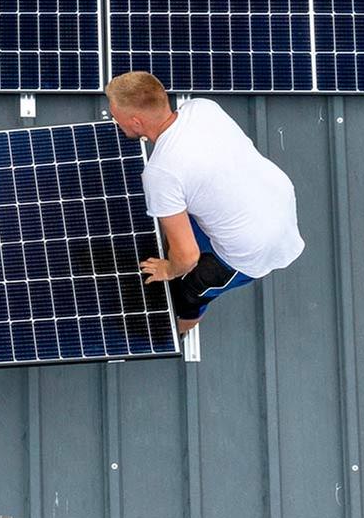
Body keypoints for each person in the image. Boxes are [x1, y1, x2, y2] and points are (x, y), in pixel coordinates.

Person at [104, 71, 304, 335]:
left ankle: (179, 331)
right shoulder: (202, 108)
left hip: (253, 249)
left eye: (116, 118)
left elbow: (187, 258)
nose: (115, 122)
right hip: (273, 201)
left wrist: (168, 269)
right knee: (180, 213)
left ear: (136, 122)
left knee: (188, 293)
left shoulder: (161, 172)